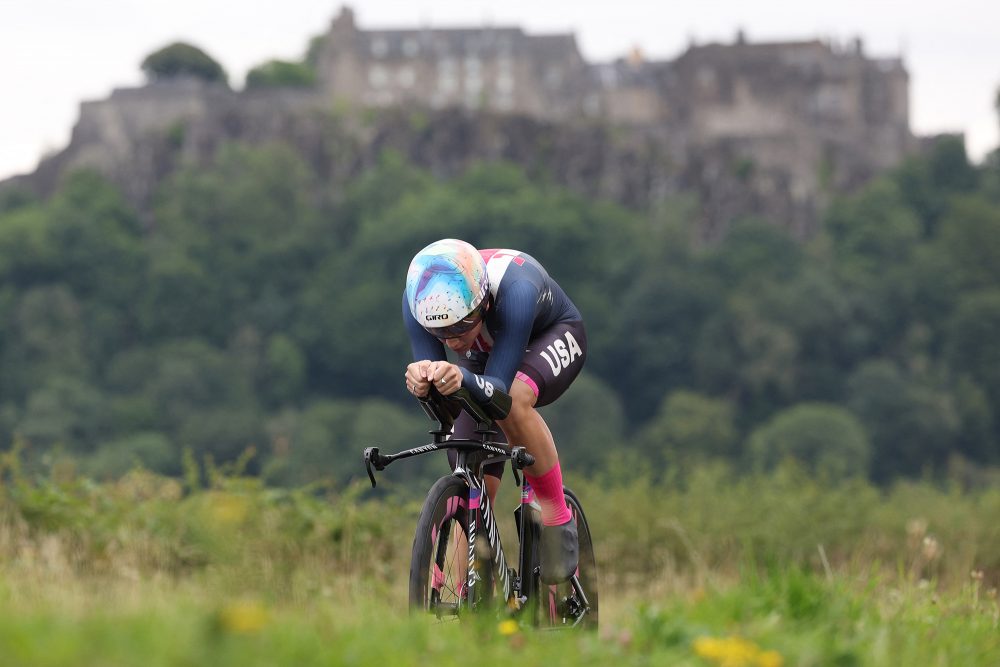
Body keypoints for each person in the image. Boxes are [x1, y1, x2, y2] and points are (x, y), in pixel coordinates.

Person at [402, 238, 586, 584]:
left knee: (513, 402)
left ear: (483, 305)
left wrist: (461, 378)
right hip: (488, 350)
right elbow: (445, 399)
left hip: (548, 333)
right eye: (439, 332)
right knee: (467, 465)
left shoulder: (514, 292)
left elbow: (497, 391)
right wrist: (422, 381)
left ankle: (557, 516)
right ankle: (473, 592)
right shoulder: (420, 299)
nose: (452, 340)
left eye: (459, 326)